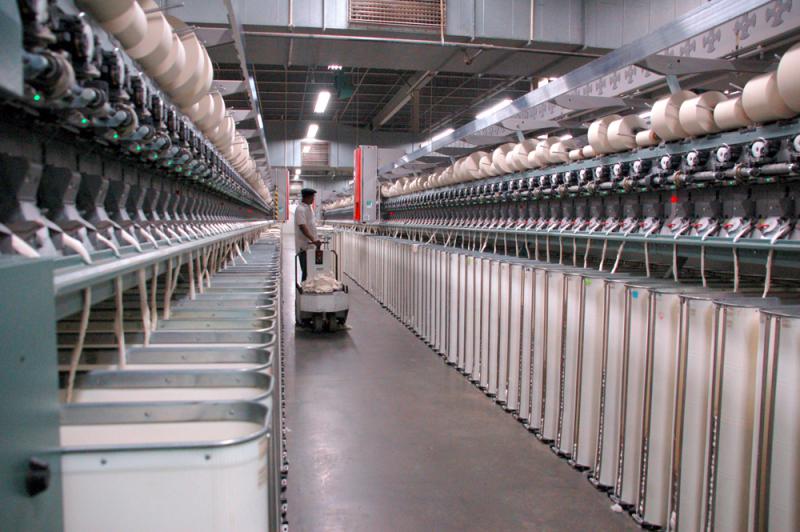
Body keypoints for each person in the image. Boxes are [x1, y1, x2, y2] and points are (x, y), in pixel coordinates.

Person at [294, 188, 321, 281]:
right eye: (312, 197)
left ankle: (309, 286)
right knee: (306, 271)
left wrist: (315, 239)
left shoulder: (309, 208)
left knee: (311, 270)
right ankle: (305, 287)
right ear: (307, 197)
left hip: (311, 245)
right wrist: (313, 239)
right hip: (304, 246)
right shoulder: (300, 209)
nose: (313, 199)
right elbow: (303, 227)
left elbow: (311, 225)